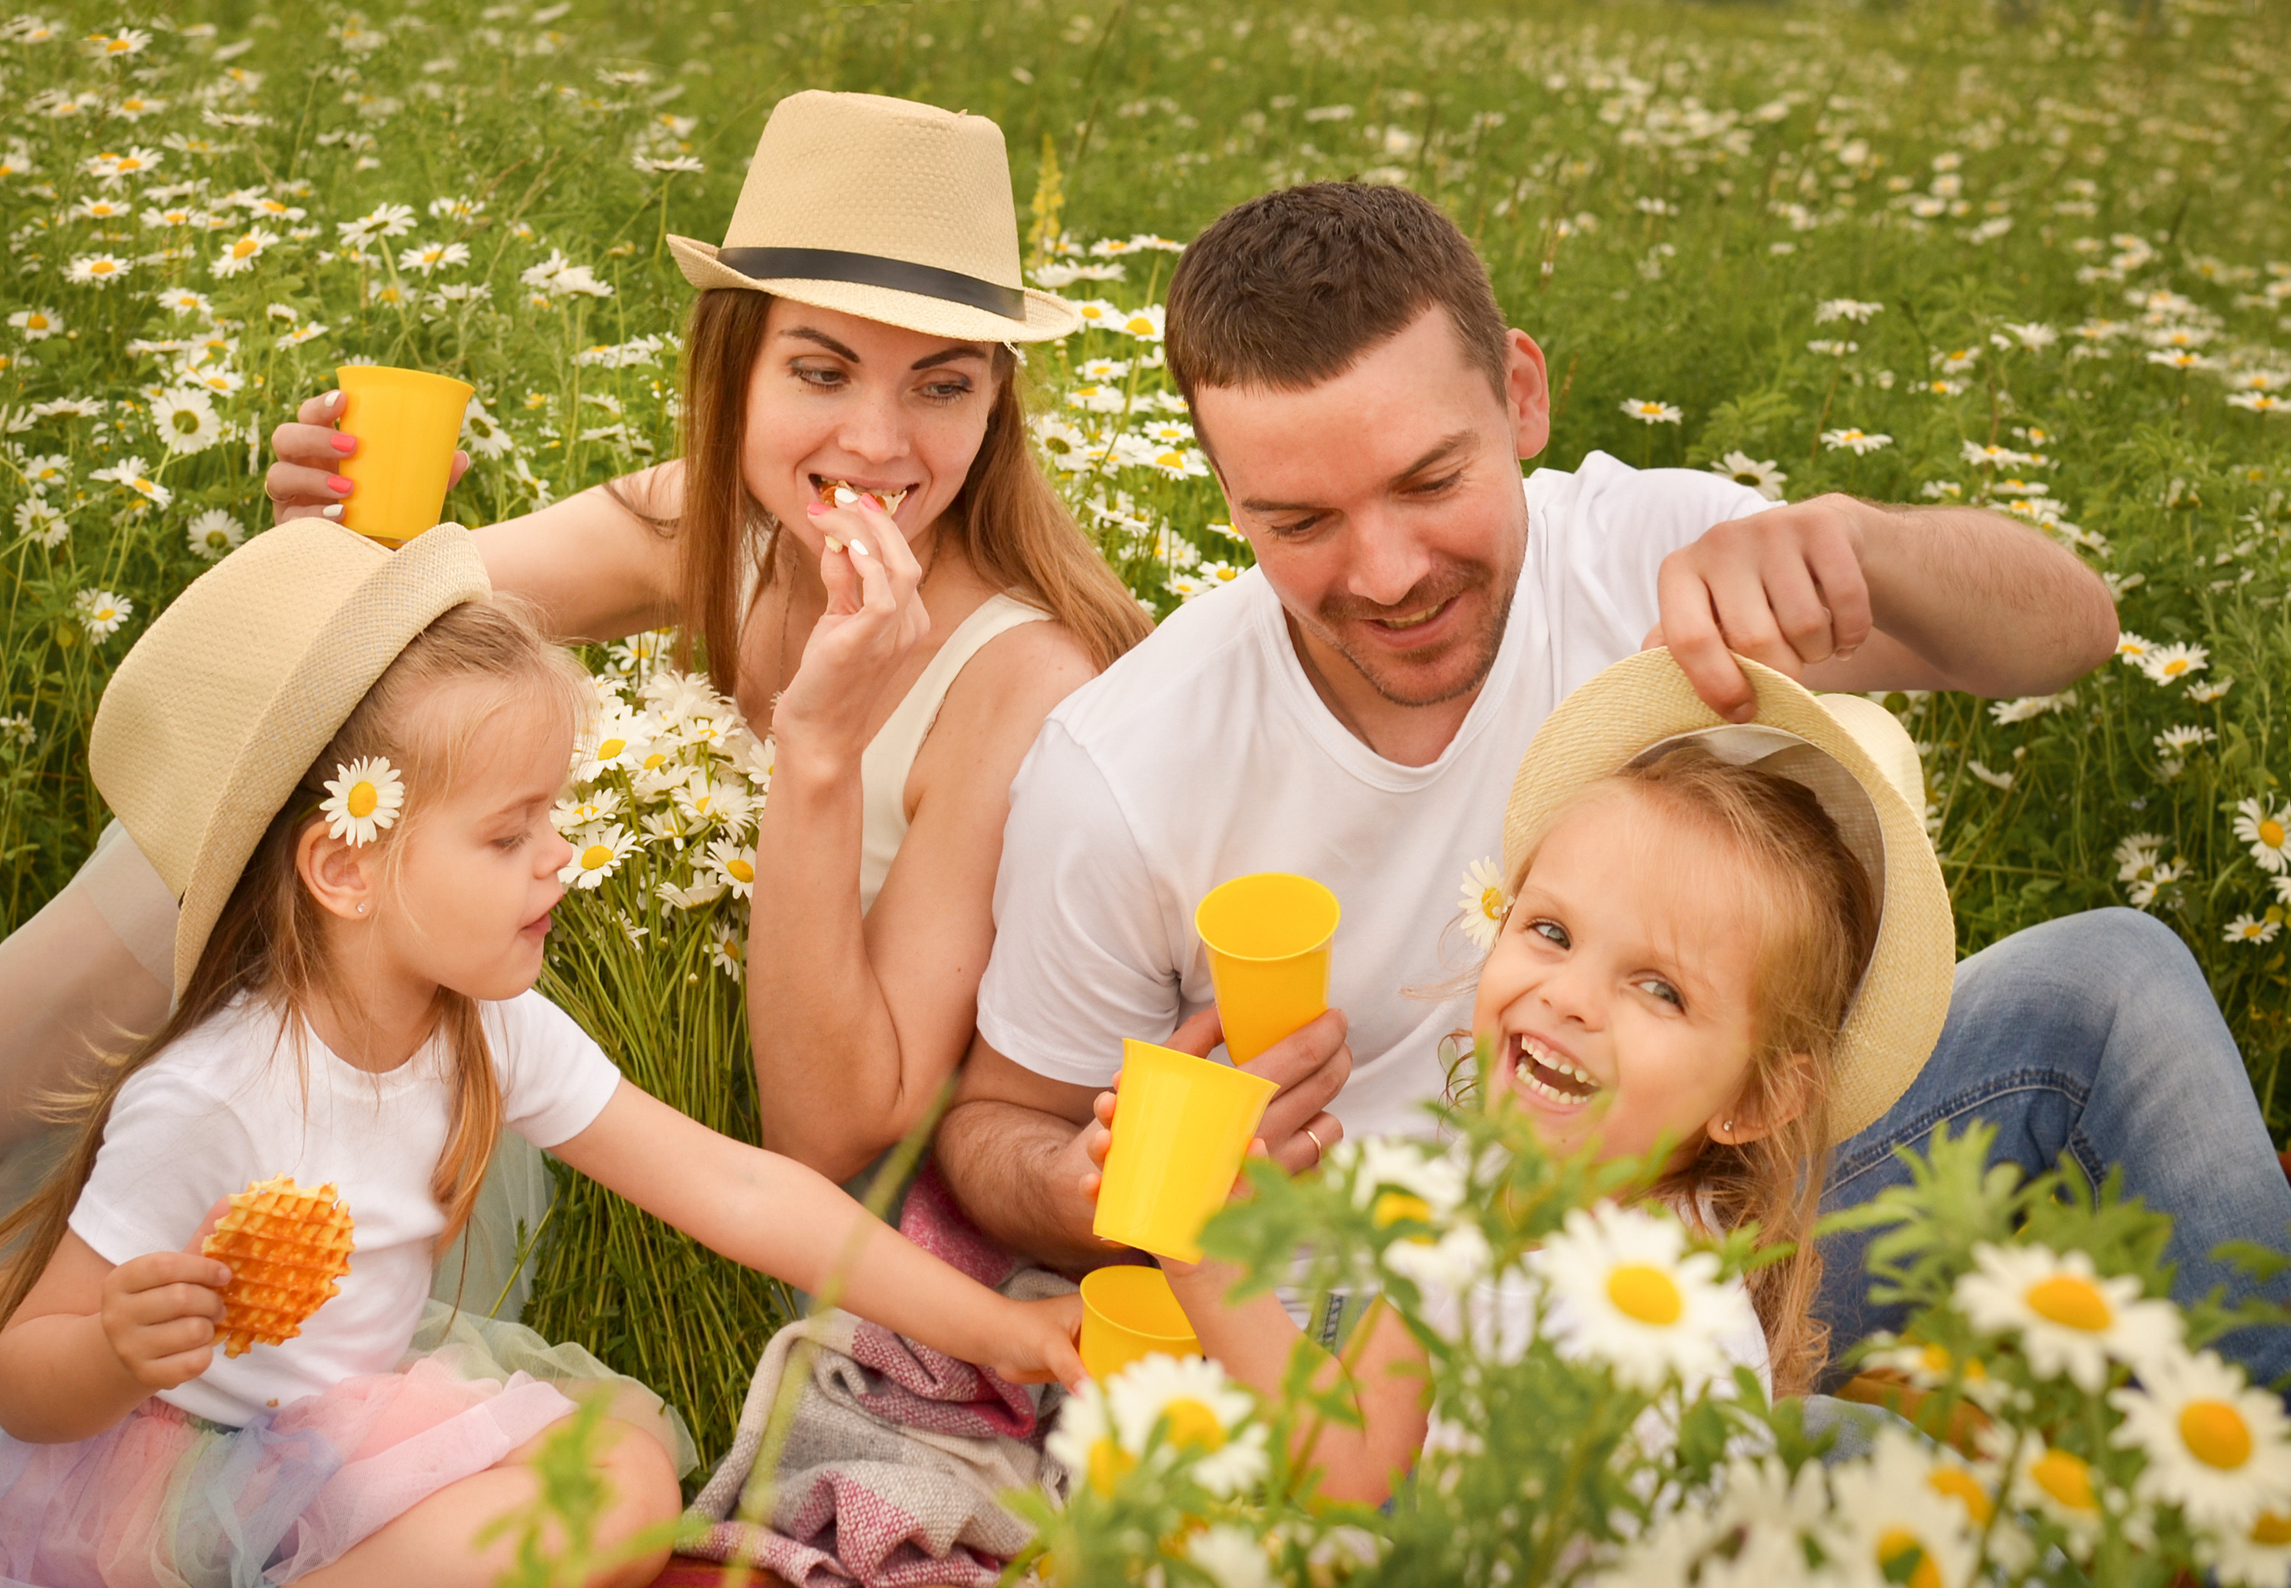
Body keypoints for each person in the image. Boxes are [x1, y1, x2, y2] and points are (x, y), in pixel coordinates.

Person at [0, 90, 1148, 1349]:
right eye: (823, 371)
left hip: (733, 1182)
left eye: (942, 386)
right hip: (546, 1040)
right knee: (262, 801)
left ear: (998, 404)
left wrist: (824, 753)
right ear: (736, 368)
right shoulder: (713, 527)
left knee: (382, 926)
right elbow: (363, 629)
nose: (877, 447)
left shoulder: (1022, 676)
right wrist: (326, 529)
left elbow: (834, 1131)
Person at [933, 180, 2291, 1390]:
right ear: (1230, 502)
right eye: (1302, 521)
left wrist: (1858, 546)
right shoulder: (1128, 760)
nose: (1390, 570)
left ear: (1520, 395)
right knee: (1846, 1511)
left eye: (1431, 479)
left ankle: (2264, 1507)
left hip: (1704, 1210)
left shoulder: (1658, 560)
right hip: (1382, 1317)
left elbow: (2072, 630)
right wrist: (1116, 1181)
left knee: (2109, 982)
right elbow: (996, 1135)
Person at [0, 521, 1085, 1588]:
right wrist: (115, 1345)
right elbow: (26, 1383)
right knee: (592, 1492)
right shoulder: (211, 1093)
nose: (559, 856)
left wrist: (1004, 1334)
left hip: (348, 1424)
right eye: (510, 834)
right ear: (346, 863)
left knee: (622, 1482)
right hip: (170, 1463)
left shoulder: (486, 1025)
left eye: (553, 816)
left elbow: (737, 1190)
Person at [1121, 650, 1946, 1501]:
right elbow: (1354, 1462)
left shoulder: (1639, 1345)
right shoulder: (1479, 1185)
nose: (1571, 997)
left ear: (1757, 1098)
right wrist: (1201, 1256)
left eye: (1659, 989)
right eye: (1551, 932)